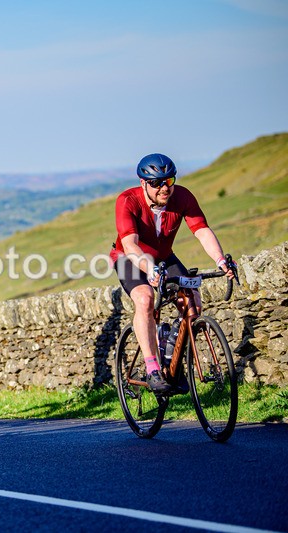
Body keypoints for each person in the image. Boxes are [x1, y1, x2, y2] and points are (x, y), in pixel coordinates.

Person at [110, 153, 234, 394]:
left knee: (193, 302)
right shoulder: (127, 201)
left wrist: (221, 260)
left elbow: (202, 231)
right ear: (143, 183)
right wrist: (150, 269)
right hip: (129, 257)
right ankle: (152, 367)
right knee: (145, 299)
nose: (164, 188)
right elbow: (131, 245)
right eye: (156, 183)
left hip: (164, 256)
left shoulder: (183, 197)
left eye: (169, 180)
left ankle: (171, 352)